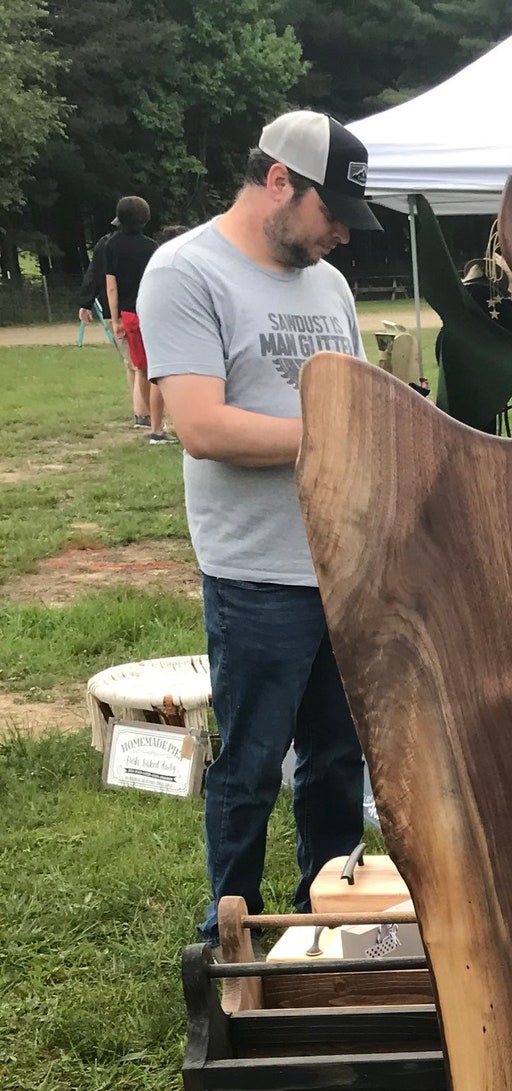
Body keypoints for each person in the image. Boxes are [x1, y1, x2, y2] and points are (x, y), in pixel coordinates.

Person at [138, 111, 381, 944]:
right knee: (248, 770)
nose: (344, 234)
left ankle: (330, 928)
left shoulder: (331, 285)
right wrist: (344, 431)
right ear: (279, 180)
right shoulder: (185, 272)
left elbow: (351, 400)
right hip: (257, 578)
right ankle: (229, 935)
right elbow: (203, 427)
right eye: (334, 213)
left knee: (337, 766)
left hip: (340, 566)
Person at [104, 196, 165, 440]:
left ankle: (145, 414)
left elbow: (111, 286)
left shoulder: (111, 245)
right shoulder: (151, 247)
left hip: (128, 314)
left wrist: (115, 318)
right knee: (155, 366)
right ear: (145, 218)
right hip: (150, 310)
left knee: (140, 367)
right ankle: (154, 417)